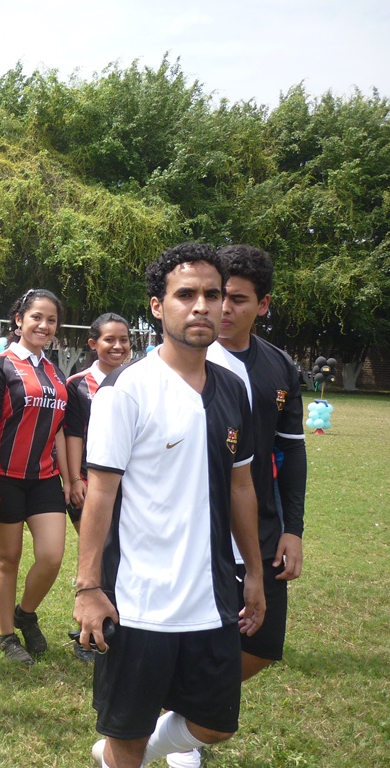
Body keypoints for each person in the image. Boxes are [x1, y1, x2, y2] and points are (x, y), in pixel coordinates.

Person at [73, 242, 265, 768]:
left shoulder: (233, 388)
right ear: (158, 307)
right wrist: (88, 587)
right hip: (140, 600)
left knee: (216, 725)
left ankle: (125, 753)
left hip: (211, 595)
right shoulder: (126, 389)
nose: (202, 306)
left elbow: (242, 486)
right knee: (127, 736)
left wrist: (252, 572)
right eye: (186, 295)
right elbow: (101, 492)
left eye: (212, 294)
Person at [161, 245, 308, 768]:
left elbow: (291, 452)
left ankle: (169, 728)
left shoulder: (280, 367)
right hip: (196, 526)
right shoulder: (187, 360)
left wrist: (293, 528)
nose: (222, 309)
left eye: (238, 300)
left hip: (258, 525)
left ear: (262, 305)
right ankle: (183, 739)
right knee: (199, 635)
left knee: (262, 646)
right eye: (219, 295)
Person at [0, 289, 70, 665]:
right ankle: (6, 636)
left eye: (51, 320)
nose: (44, 325)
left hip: (45, 477)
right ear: (19, 320)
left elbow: (58, 428)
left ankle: (25, 614)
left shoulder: (55, 371)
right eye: (36, 317)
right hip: (5, 477)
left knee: (51, 556)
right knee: (8, 558)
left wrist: (69, 478)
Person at [63, 313, 131, 663]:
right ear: (93, 344)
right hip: (90, 487)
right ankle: (86, 635)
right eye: (109, 340)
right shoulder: (78, 384)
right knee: (98, 558)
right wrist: (76, 479)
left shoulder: (137, 381)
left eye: (124, 340)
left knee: (120, 558)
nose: (118, 346)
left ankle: (116, 626)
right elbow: (72, 435)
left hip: (128, 488)